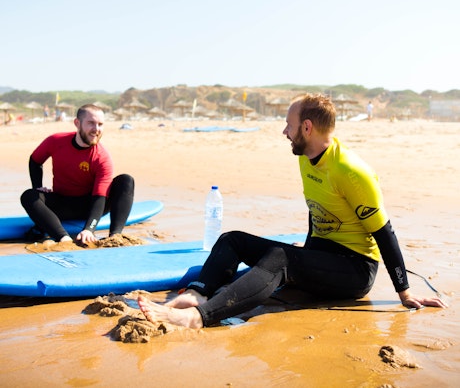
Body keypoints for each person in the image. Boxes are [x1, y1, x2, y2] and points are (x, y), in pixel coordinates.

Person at [138, 93, 447, 328]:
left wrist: (404, 292)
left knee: (280, 259)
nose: (285, 131)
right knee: (234, 240)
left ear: (307, 127)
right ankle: (198, 293)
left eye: (289, 124)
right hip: (324, 255)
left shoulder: (351, 171)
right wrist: (308, 254)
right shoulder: (305, 157)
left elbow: (384, 232)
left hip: (354, 270)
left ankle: (198, 317)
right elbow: (317, 210)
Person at [21, 104, 135, 244]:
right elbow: (35, 161)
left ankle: (115, 236)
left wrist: (89, 229)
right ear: (77, 123)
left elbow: (100, 198)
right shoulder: (56, 141)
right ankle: (63, 238)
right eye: (91, 123)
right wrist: (37, 186)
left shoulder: (102, 157)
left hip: (91, 205)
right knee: (29, 196)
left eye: (100, 124)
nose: (96, 129)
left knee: (126, 180)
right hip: (61, 204)